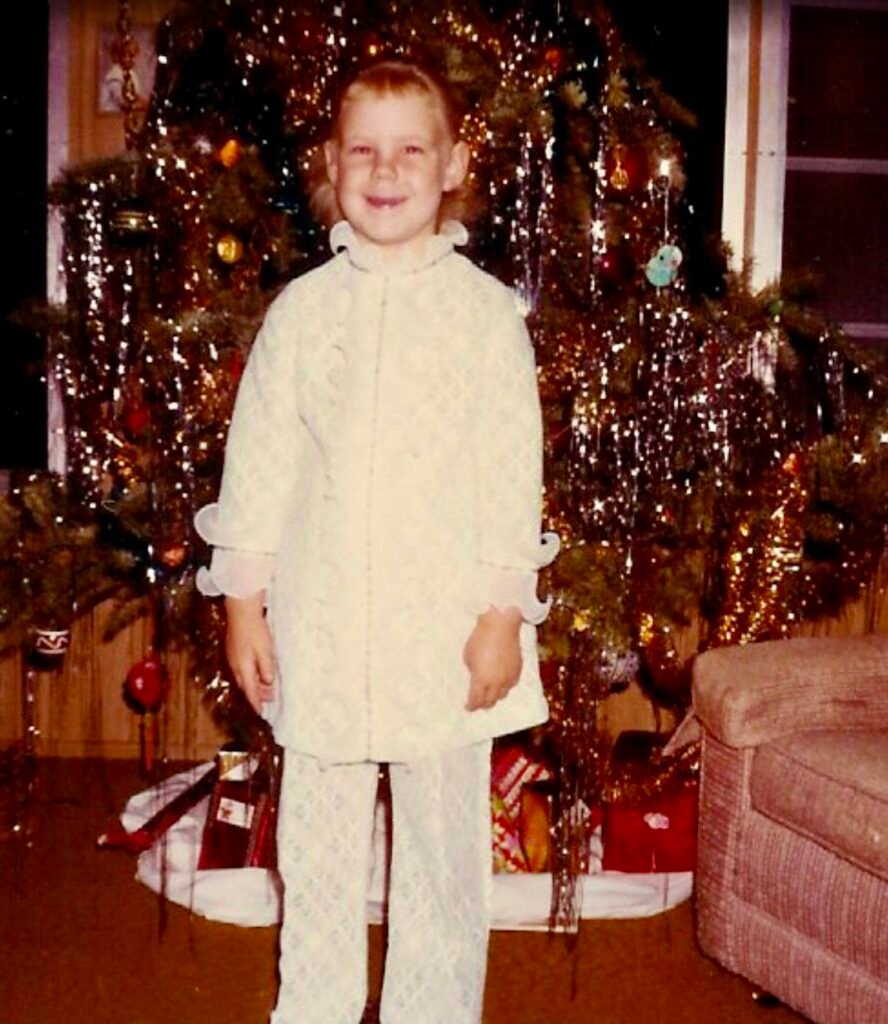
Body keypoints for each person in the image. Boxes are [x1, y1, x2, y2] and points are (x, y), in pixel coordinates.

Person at [194, 57, 557, 1024]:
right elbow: (260, 468)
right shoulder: (303, 315)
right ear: (332, 164)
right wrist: (243, 602)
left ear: (451, 165)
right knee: (316, 853)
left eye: (410, 149)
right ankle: (311, 1006)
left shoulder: (485, 316)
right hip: (324, 627)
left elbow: (510, 474)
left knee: (440, 855)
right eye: (364, 150)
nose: (385, 170)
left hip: (442, 633)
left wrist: (499, 613)